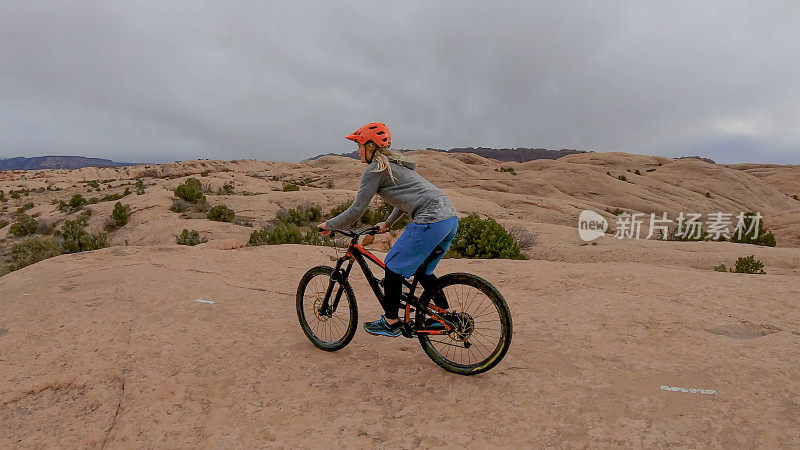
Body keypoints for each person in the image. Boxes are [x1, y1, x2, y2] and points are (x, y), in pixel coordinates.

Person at [318, 122, 459, 337]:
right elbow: (406, 200)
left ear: (371, 147)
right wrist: (387, 224)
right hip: (449, 219)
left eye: (359, 145)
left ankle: (391, 322)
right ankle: (443, 317)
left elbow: (357, 210)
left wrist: (330, 225)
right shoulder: (395, 166)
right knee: (423, 270)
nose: (357, 151)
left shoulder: (374, 170)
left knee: (392, 264)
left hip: (430, 219)